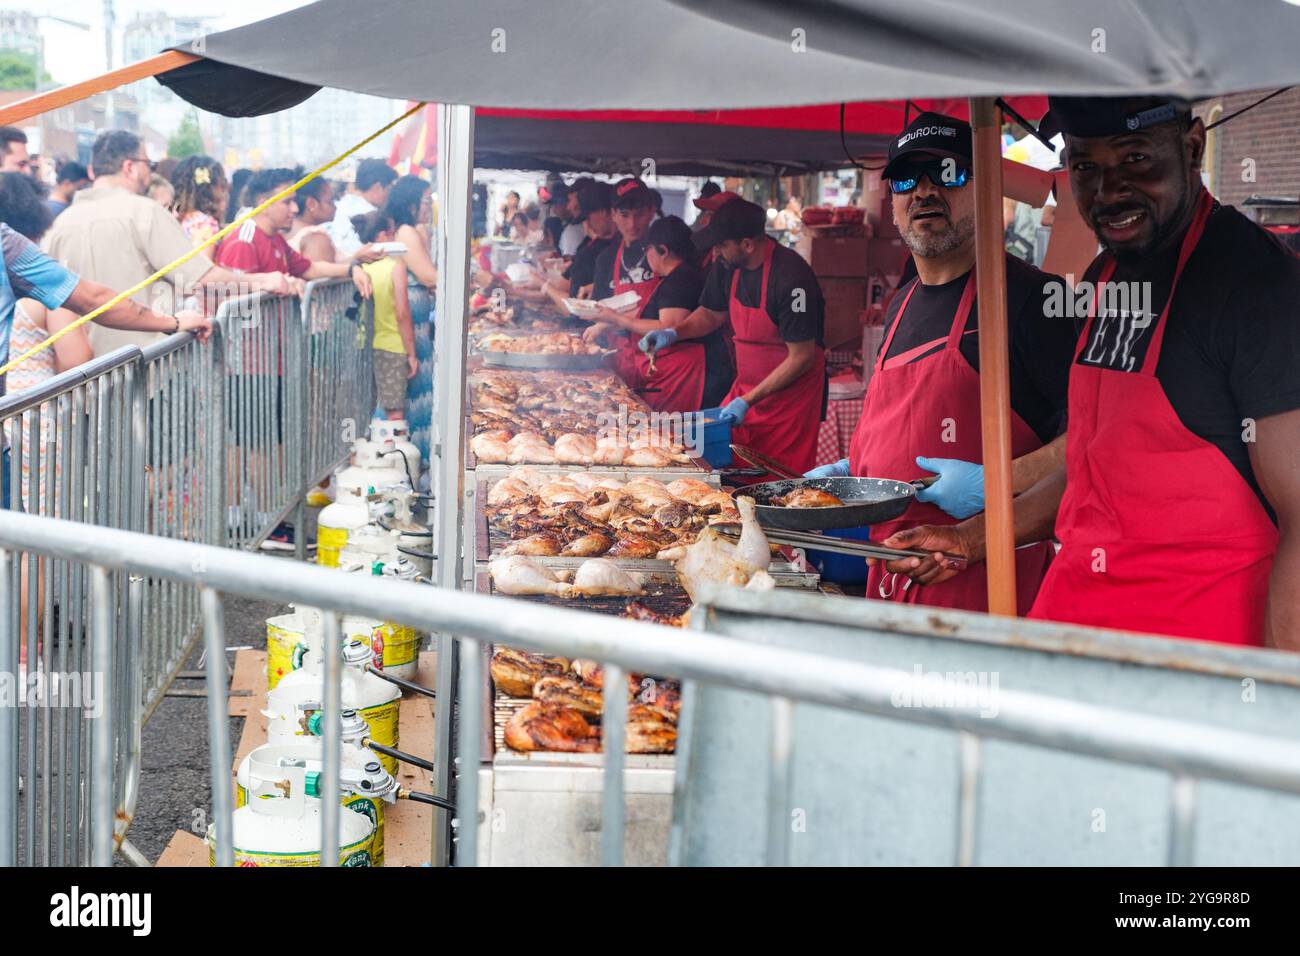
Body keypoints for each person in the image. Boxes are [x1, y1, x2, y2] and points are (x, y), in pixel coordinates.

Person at [883, 95, 1300, 650]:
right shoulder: (1107, 275)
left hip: (1195, 657)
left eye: (1135, 161)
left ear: (1192, 146)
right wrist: (970, 539)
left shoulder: (1255, 285)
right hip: (1078, 624)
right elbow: (1092, 462)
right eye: (1086, 167)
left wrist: (1278, 700)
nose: (1109, 191)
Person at [805, 112, 1075, 615]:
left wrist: (996, 483)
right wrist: (853, 472)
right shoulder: (901, 302)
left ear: (985, 188)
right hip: (889, 585)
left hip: (985, 595)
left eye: (948, 174)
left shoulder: (1036, 299)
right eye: (907, 180)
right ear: (893, 204)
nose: (925, 192)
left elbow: (1093, 445)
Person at [44, 131, 292, 357]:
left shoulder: (61, 222)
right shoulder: (144, 212)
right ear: (130, 167)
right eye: (147, 164)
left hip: (86, 380)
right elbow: (201, 278)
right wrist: (262, 280)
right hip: (149, 365)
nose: (150, 172)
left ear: (91, 171)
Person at [664, 197, 827, 475]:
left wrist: (748, 400)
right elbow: (711, 315)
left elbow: (802, 357)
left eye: (721, 245)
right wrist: (672, 333)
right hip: (747, 390)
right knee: (737, 469)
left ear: (747, 244)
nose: (715, 253)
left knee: (781, 479)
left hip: (789, 403)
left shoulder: (791, 278)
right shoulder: (728, 266)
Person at [587, 215, 732, 412]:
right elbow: (648, 315)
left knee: (675, 437)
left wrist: (616, 319)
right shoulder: (675, 277)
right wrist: (606, 323)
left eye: (647, 250)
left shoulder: (680, 280)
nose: (647, 257)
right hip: (671, 374)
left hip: (686, 376)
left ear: (662, 250)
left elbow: (667, 325)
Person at [216, 167, 371, 293]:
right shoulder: (244, 241)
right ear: (264, 204)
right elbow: (232, 298)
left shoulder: (275, 238)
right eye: (287, 202)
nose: (295, 209)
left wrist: (350, 270)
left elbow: (310, 268)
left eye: (294, 201)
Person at [587, 178, 662, 383]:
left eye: (639, 215)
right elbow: (599, 310)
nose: (632, 224)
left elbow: (673, 316)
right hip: (620, 358)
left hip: (660, 360)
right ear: (613, 214)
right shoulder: (606, 258)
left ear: (651, 211)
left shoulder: (665, 253)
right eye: (624, 215)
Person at [384, 175, 437, 459]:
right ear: (412, 203)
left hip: (417, 330)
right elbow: (429, 276)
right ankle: (412, 463)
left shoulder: (411, 231)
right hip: (411, 333)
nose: (429, 207)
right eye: (426, 201)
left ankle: (415, 464)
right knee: (412, 398)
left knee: (416, 398)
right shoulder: (406, 232)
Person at [354, 211, 416, 421]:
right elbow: (402, 313)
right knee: (395, 411)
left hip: (363, 345)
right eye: (392, 234)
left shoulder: (359, 268)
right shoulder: (395, 267)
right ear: (382, 236)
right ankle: (394, 452)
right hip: (391, 345)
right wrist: (412, 353)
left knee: (365, 409)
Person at [329, 158, 398, 258]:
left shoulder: (341, 205)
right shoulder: (372, 216)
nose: (389, 195)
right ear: (377, 187)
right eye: (388, 189)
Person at [169, 155, 229, 249]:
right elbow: (203, 263)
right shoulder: (204, 225)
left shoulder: (172, 215)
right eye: (222, 184)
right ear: (211, 189)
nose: (224, 191)